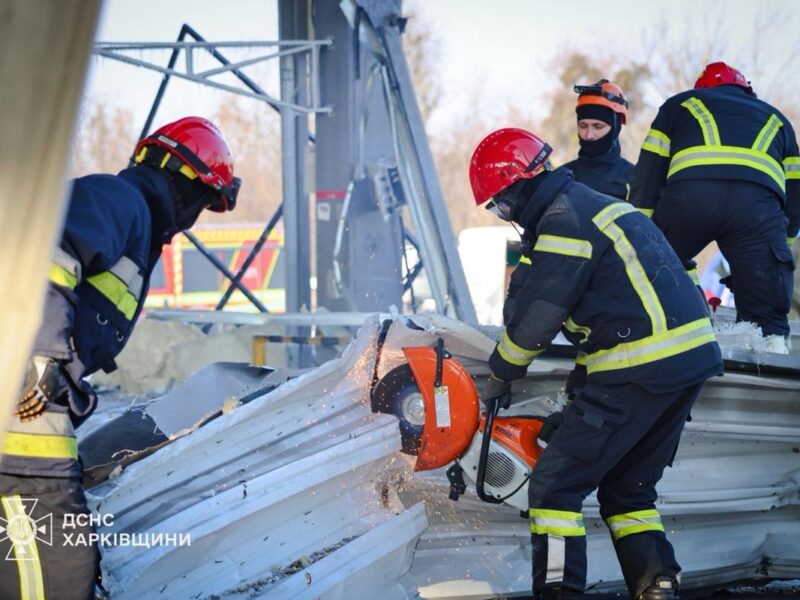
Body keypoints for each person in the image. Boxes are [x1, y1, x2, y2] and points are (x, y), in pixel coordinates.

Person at [469, 127, 723, 600]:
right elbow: (614, 306)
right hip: (683, 366)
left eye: (500, 205)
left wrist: (501, 373)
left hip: (639, 368)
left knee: (553, 490)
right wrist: (582, 396)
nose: (505, 215)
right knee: (629, 490)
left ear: (517, 185)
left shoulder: (562, 221)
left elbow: (537, 319)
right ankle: (658, 588)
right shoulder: (593, 204)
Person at [0, 116, 240, 599]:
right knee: (55, 556)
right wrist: (43, 361)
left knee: (24, 546)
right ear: (182, 180)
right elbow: (42, 255)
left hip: (31, 393)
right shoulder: (118, 200)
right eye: (203, 200)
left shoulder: (134, 226)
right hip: (26, 395)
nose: (197, 217)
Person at [628, 61, 800, 354]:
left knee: (651, 275)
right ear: (747, 90)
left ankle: (645, 340)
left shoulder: (679, 105)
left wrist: (641, 238)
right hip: (757, 211)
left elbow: (648, 175)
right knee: (766, 320)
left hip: (690, 200)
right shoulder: (778, 119)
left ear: (703, 89)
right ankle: (769, 357)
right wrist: (776, 250)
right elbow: (794, 194)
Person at [504, 78, 633, 323]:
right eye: (582, 125)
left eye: (598, 126)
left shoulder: (635, 180)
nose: (589, 135)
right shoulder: (562, 178)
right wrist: (516, 299)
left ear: (617, 127)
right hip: (562, 294)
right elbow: (535, 243)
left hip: (616, 297)